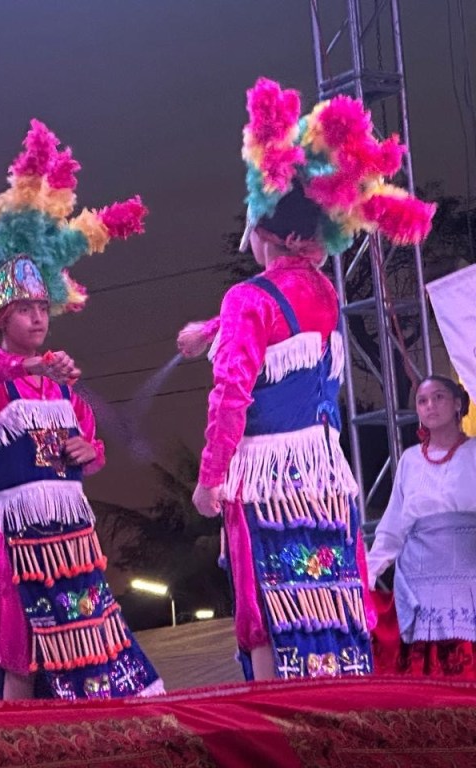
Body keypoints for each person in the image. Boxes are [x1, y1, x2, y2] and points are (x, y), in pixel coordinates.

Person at [191, 78, 436, 681]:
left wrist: (210, 478)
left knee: (268, 606)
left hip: (266, 477)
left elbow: (231, 395)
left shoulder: (246, 299)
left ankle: (276, 713)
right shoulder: (323, 292)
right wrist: (211, 331)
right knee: (324, 598)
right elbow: (286, 327)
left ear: (268, 233)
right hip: (323, 473)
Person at [0, 120, 163, 700]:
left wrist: (89, 451)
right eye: (25, 309)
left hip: (71, 535)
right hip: (18, 536)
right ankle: (18, 736)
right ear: (2, 319)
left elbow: (91, 453)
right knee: (19, 640)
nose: (37, 317)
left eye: (42, 308)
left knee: (88, 633)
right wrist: (32, 365)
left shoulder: (64, 391)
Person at [367, 375, 476, 678]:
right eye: (422, 401)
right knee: (424, 672)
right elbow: (392, 527)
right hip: (418, 581)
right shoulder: (409, 460)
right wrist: (369, 573)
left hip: (467, 580)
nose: (430, 406)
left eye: (439, 397)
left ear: (457, 403)